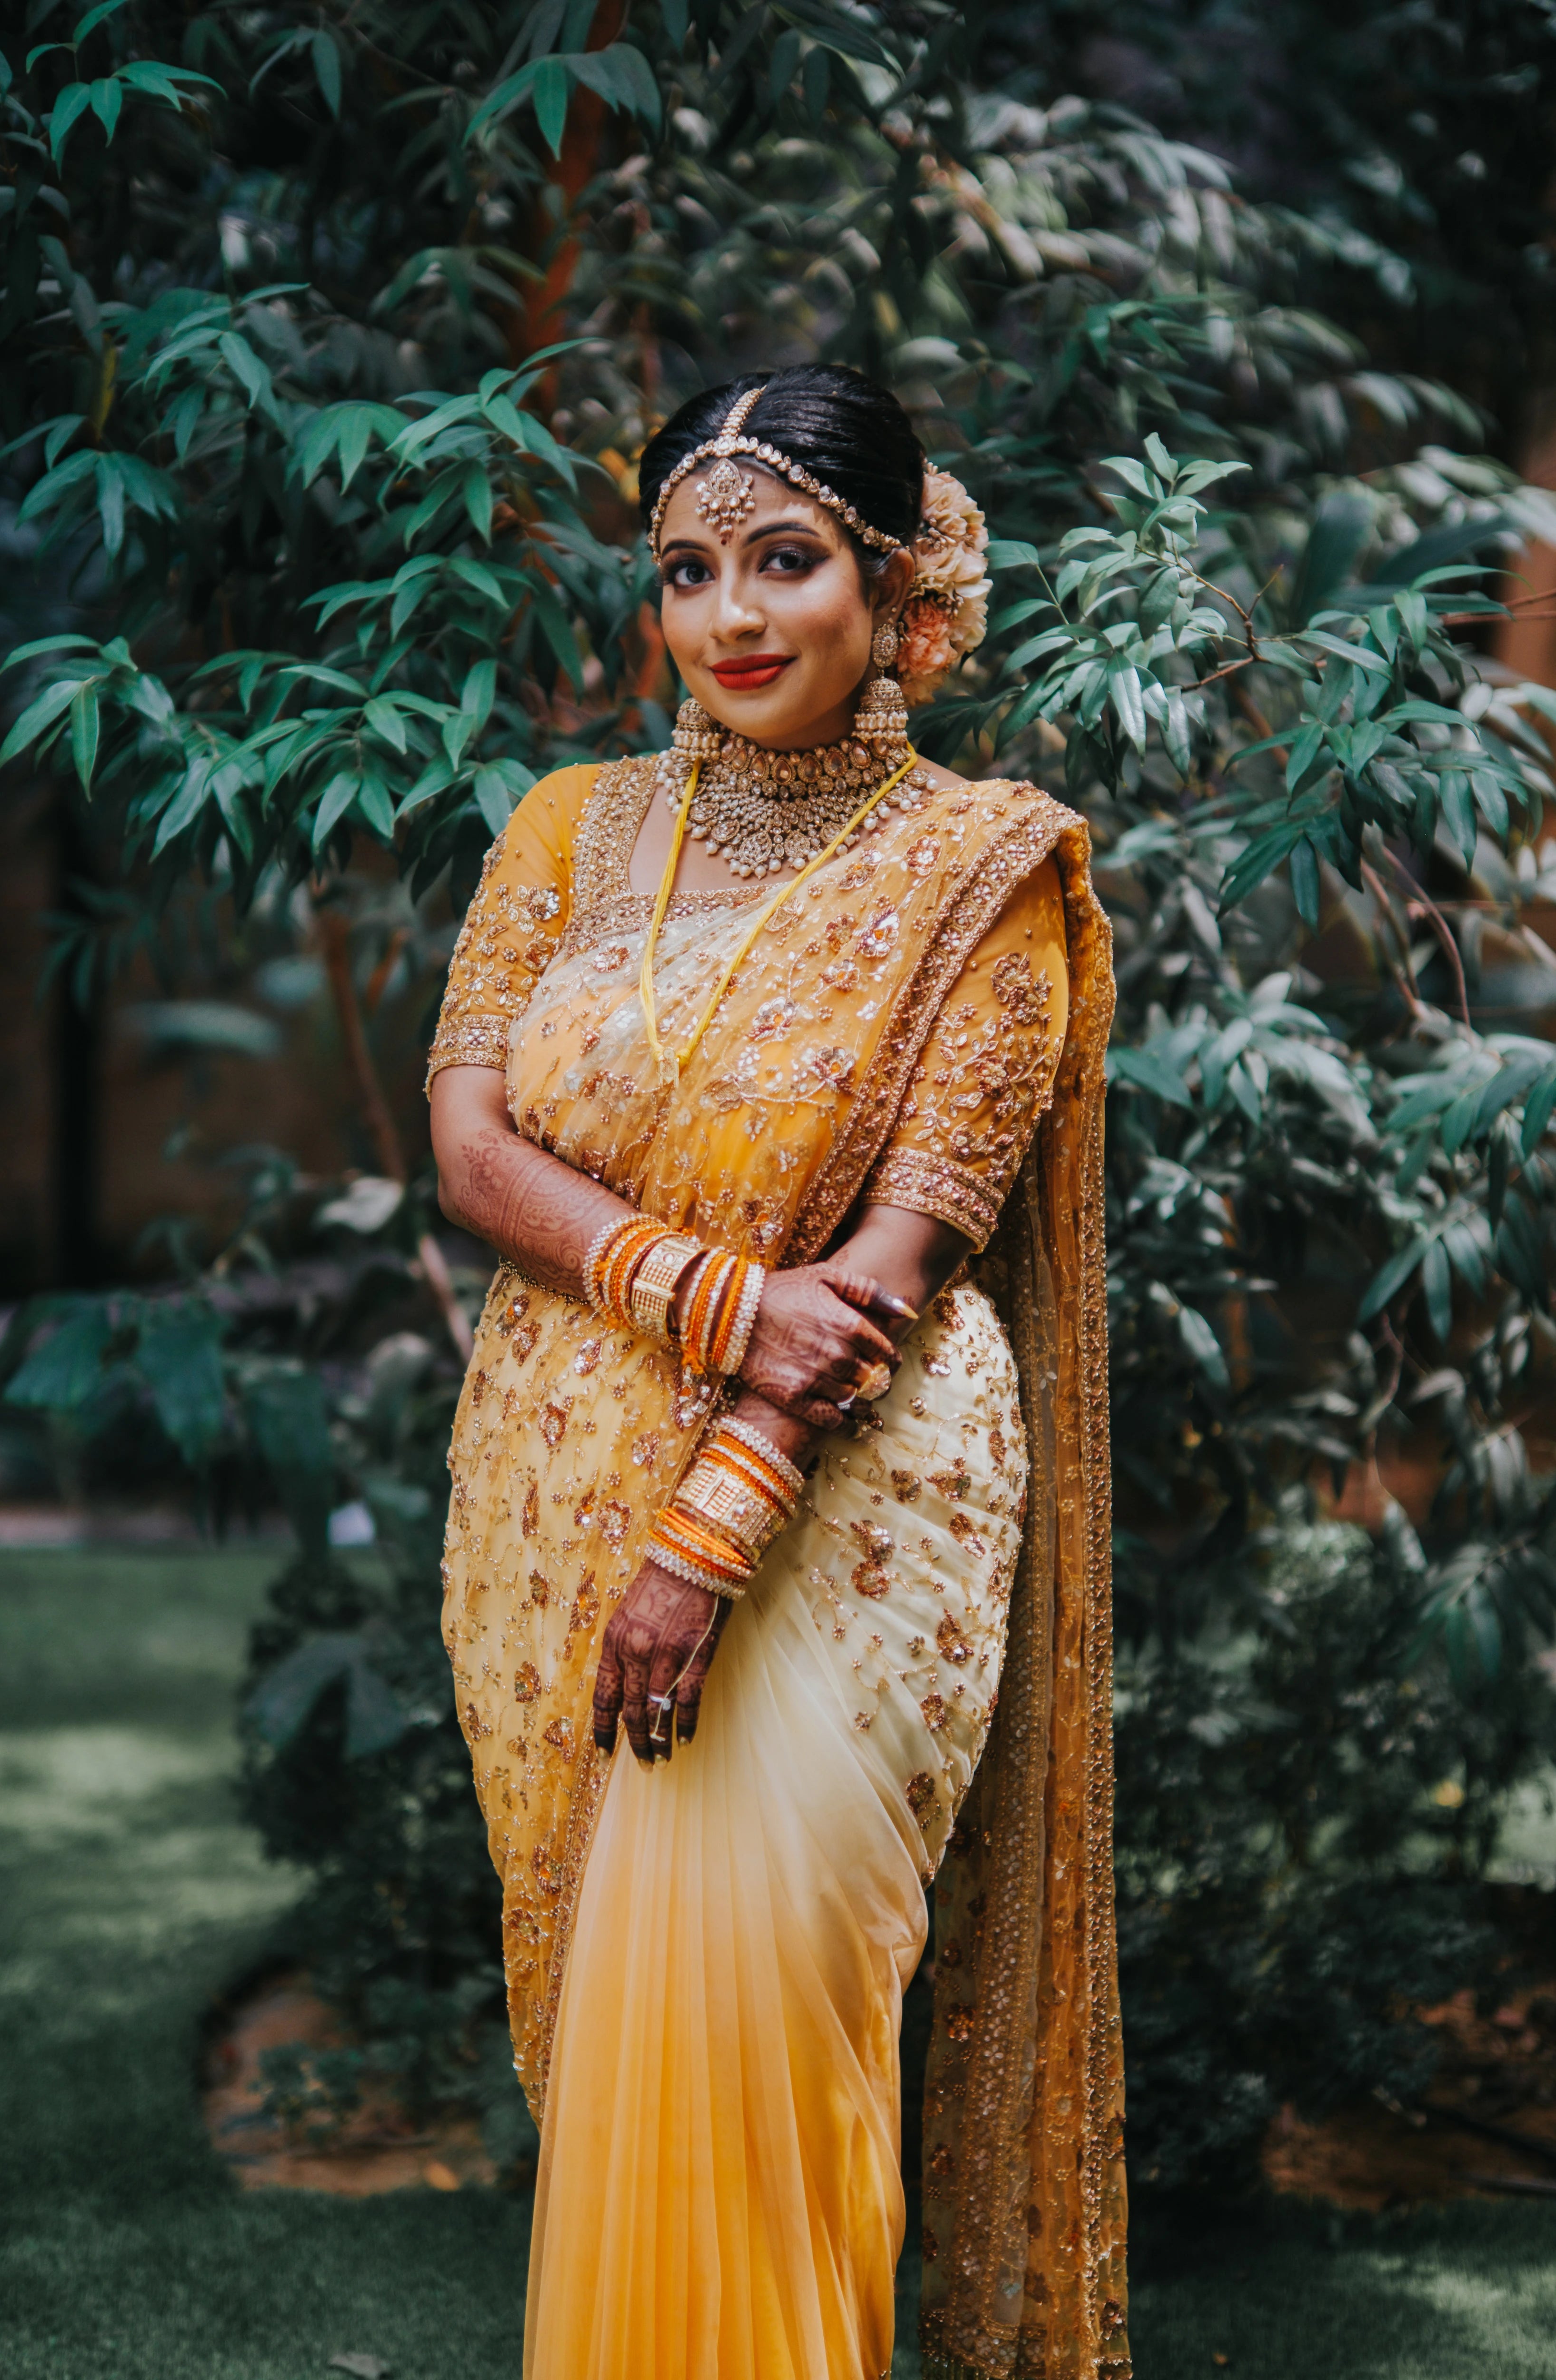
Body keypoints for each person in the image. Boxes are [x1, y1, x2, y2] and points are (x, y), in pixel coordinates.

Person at [427, 363, 1129, 2380]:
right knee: (613, 2046)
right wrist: (713, 1298)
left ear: (900, 594)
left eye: (787, 559)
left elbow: (895, 1263)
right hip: (553, 1474)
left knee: (767, 2022)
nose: (732, 614)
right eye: (689, 569)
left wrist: (708, 1533)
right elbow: (474, 1147)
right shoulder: (570, 826)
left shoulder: (982, 871)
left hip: (849, 1492)